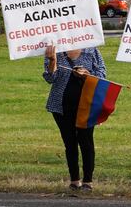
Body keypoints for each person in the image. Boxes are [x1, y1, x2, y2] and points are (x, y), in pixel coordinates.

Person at [43, 45, 107, 192]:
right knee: (69, 142)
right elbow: (50, 78)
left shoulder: (91, 50)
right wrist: (52, 60)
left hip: (87, 105)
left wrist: (87, 74)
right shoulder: (55, 50)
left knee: (86, 141)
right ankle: (74, 180)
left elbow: (102, 74)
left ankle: (88, 181)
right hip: (61, 106)